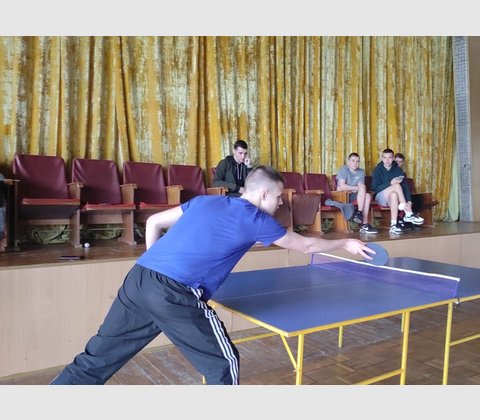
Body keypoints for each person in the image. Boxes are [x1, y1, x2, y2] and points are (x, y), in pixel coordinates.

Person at [49, 166, 374, 385]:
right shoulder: (256, 218)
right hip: (174, 292)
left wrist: (155, 262)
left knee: (96, 360)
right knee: (223, 364)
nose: (279, 204)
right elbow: (305, 245)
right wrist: (345, 242)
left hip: (139, 279)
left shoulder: (206, 201)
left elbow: (154, 223)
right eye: (277, 197)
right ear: (263, 194)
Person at [371, 149, 422, 234]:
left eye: (389, 157)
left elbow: (405, 187)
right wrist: (390, 184)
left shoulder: (398, 170)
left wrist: (409, 201)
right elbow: (374, 188)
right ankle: (408, 212)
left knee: (394, 194)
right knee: (396, 185)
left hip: (392, 199)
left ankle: (393, 225)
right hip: (380, 198)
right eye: (385, 158)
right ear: (382, 158)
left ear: (393, 158)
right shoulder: (377, 170)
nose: (387, 160)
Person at [336, 153, 378, 234]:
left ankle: (361, 218)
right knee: (363, 189)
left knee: (367, 195)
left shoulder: (361, 172)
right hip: (343, 195)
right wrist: (357, 188)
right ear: (348, 161)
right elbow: (342, 186)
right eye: (353, 161)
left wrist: (355, 189)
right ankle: (362, 219)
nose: (355, 163)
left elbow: (360, 186)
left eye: (357, 161)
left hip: (356, 195)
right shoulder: (343, 169)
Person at [394, 152, 425, 226]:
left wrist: (409, 201)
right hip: (394, 193)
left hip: (403, 193)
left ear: (402, 163)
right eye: (396, 161)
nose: (398, 163)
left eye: (400, 162)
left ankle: (409, 219)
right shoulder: (389, 171)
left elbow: (405, 187)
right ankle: (402, 218)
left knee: (419, 199)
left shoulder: (402, 173)